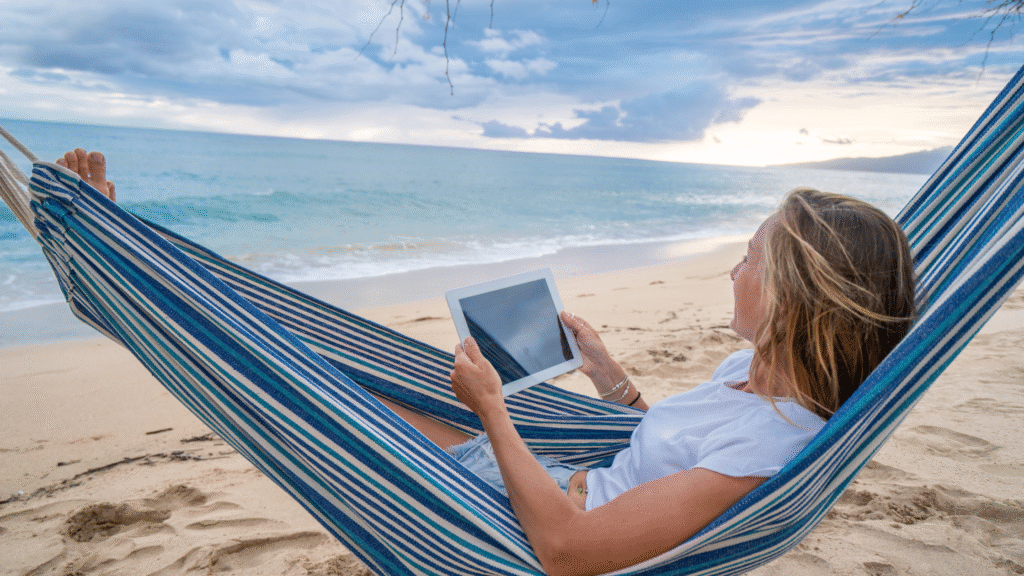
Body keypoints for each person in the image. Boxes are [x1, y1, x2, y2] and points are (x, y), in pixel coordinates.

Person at [56, 148, 916, 576]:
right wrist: (607, 377)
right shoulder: (751, 380)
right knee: (337, 383)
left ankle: (133, 290)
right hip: (546, 472)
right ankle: (144, 291)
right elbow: (668, 440)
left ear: (796, 300)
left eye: (750, 258)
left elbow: (568, 550)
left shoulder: (773, 447)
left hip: (511, 523)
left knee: (310, 395)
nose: (733, 268)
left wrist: (495, 407)